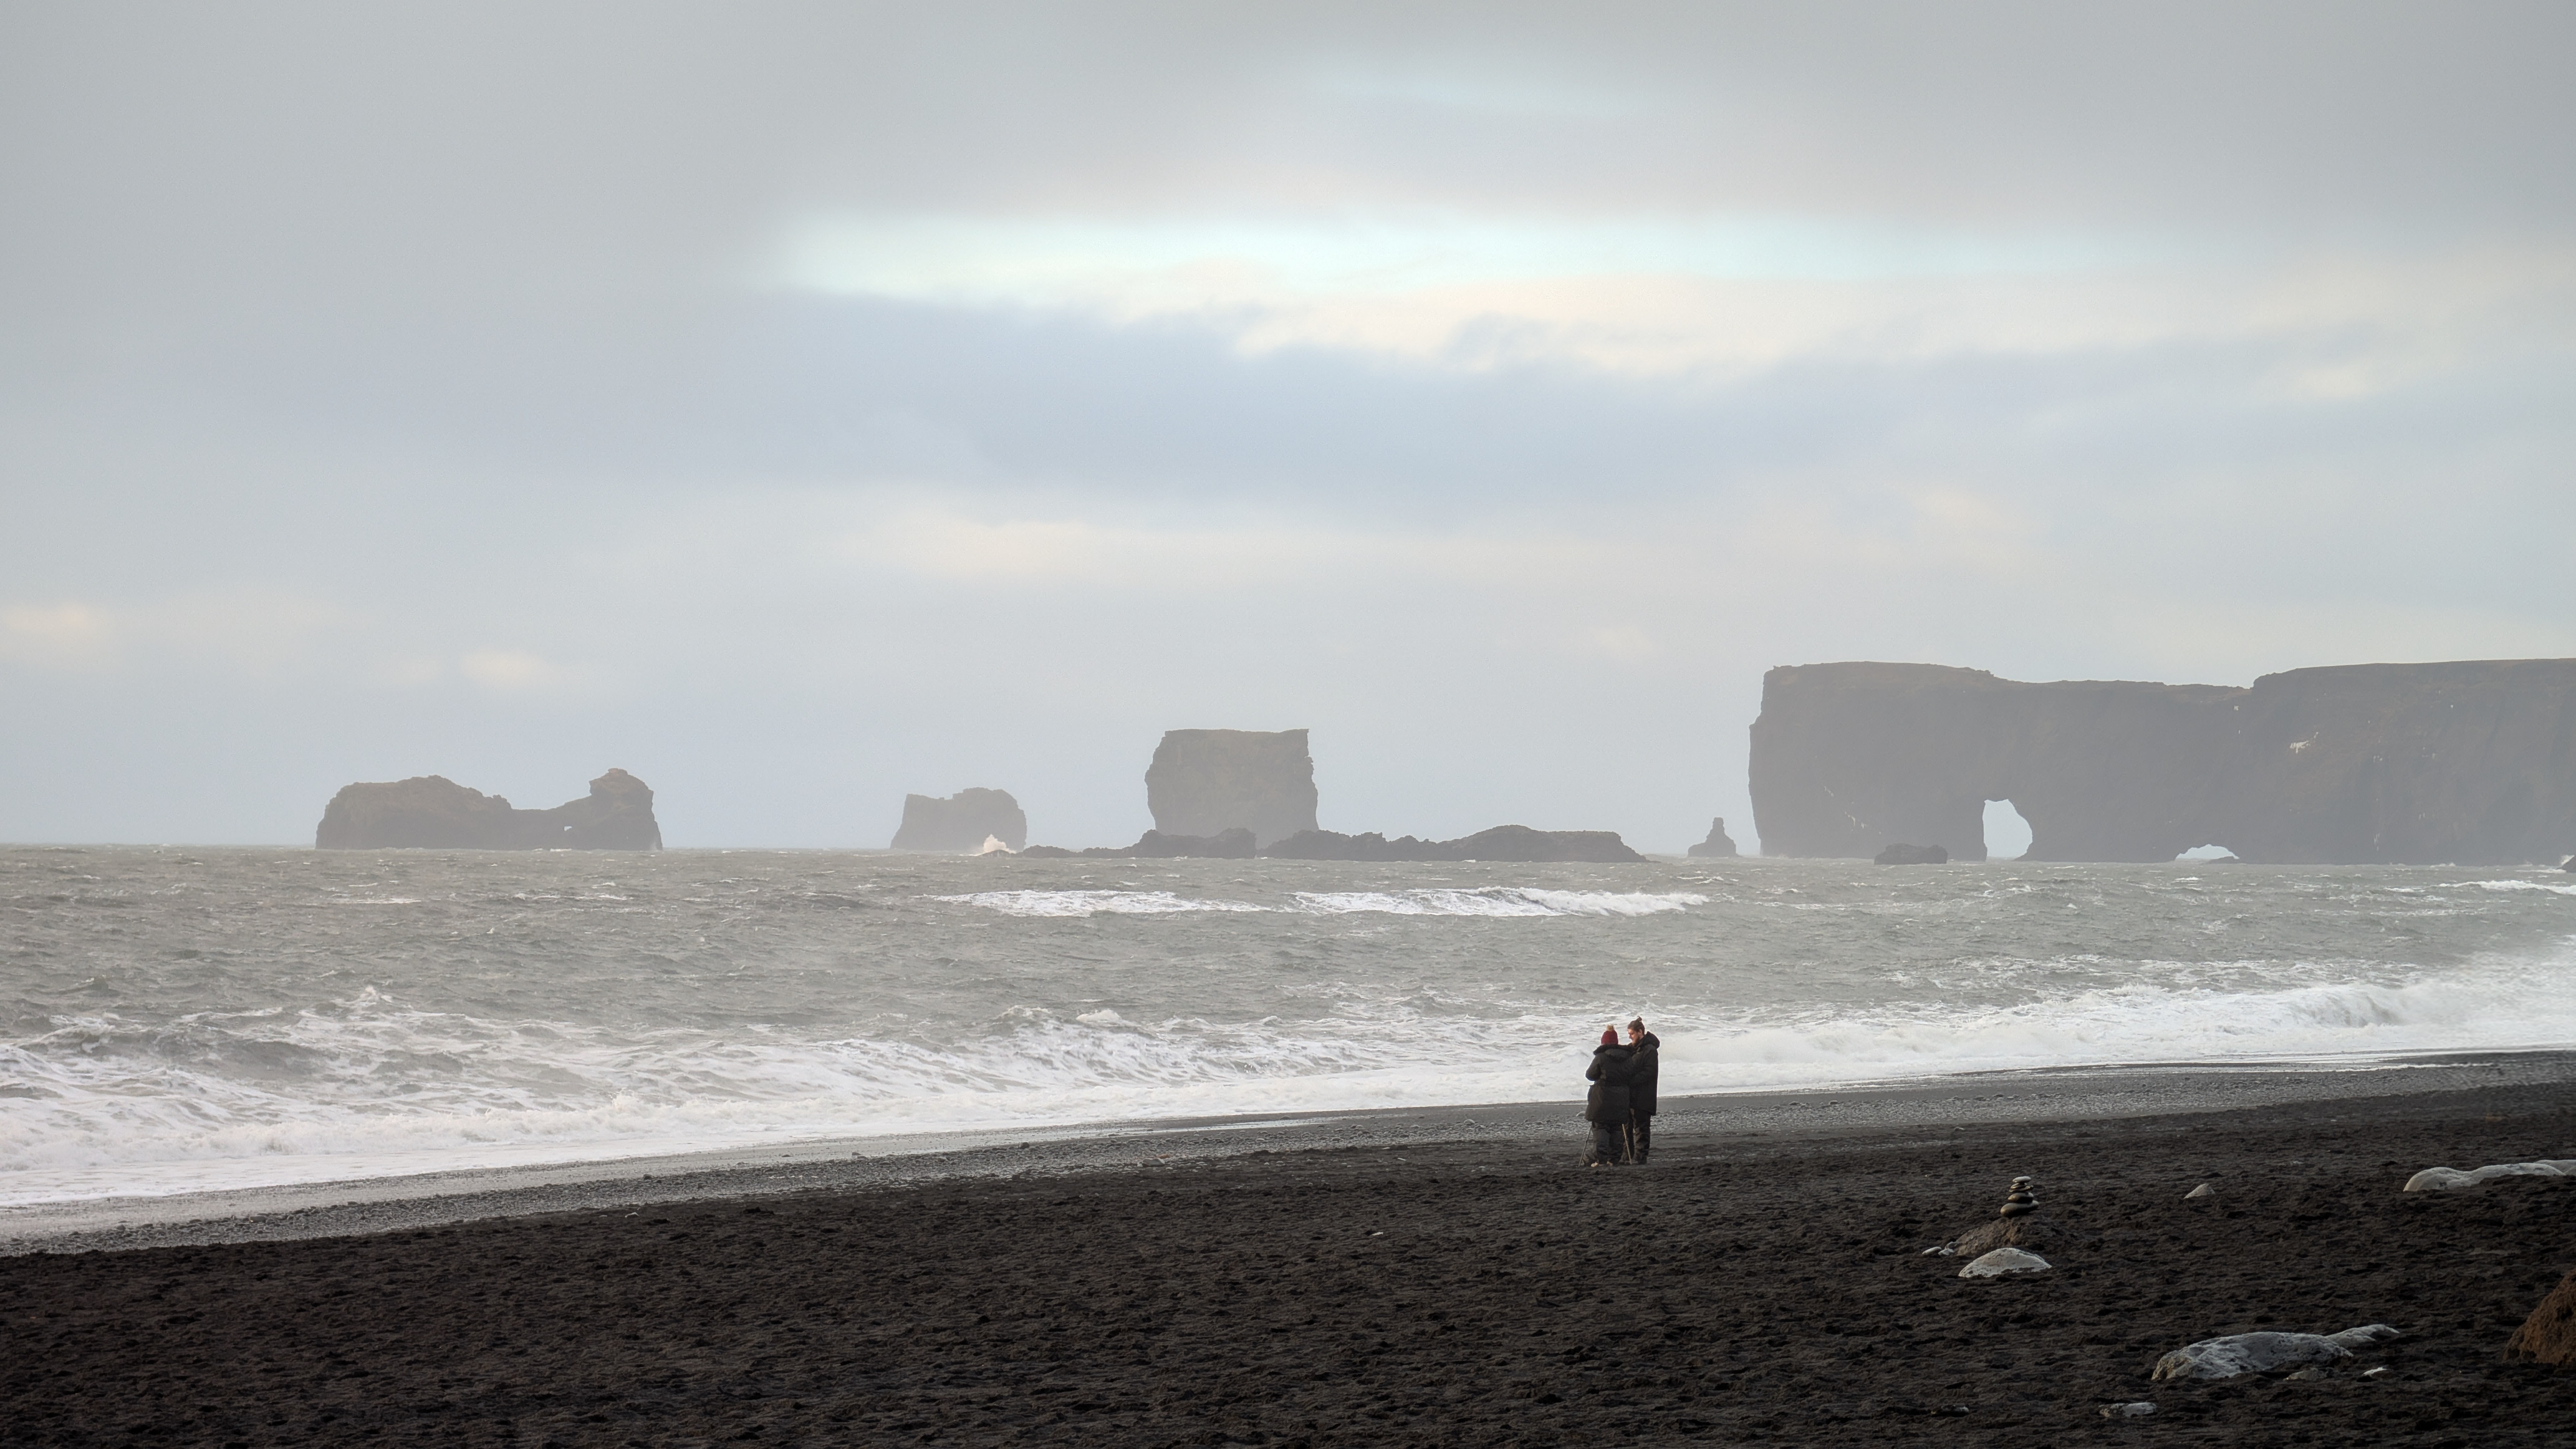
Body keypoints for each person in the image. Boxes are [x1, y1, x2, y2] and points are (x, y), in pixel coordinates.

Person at [1582, 1025, 1634, 1166]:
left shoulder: (1602, 1058)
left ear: (1604, 1043)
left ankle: (1601, 1159)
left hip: (1602, 1098)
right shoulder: (1628, 1058)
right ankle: (1614, 1159)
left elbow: (1590, 1075)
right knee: (1617, 1128)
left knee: (1601, 1127)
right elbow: (1631, 1076)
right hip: (1621, 1098)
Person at [1624, 1017, 1660, 1163]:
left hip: (1644, 1096)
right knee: (1627, 1127)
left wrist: (1630, 1081)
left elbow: (1650, 1073)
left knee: (1641, 1128)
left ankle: (1640, 1157)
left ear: (1640, 1032)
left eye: (1632, 1034)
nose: (1630, 1037)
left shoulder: (1650, 1050)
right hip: (1631, 1096)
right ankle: (1627, 1157)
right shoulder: (1633, 1049)